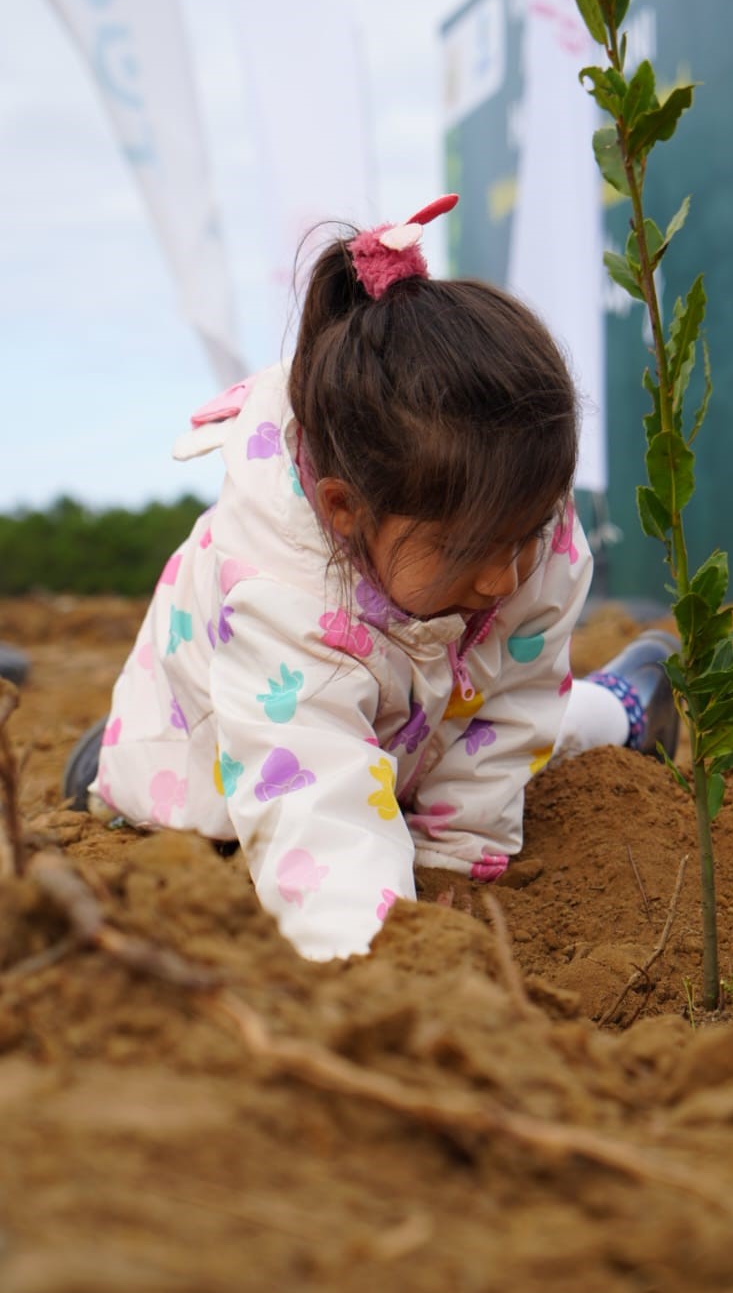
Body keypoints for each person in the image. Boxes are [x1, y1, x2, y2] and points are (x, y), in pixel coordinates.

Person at [64, 196, 677, 962]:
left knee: (530, 726)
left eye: (526, 532)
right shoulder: (279, 587)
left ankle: (624, 708)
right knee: (194, 806)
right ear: (344, 510)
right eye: (470, 549)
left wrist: (452, 854)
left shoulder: (523, 530)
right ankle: (106, 763)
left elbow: (513, 701)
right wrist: (377, 955)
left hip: (422, 713)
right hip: (234, 725)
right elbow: (313, 797)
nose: (503, 575)